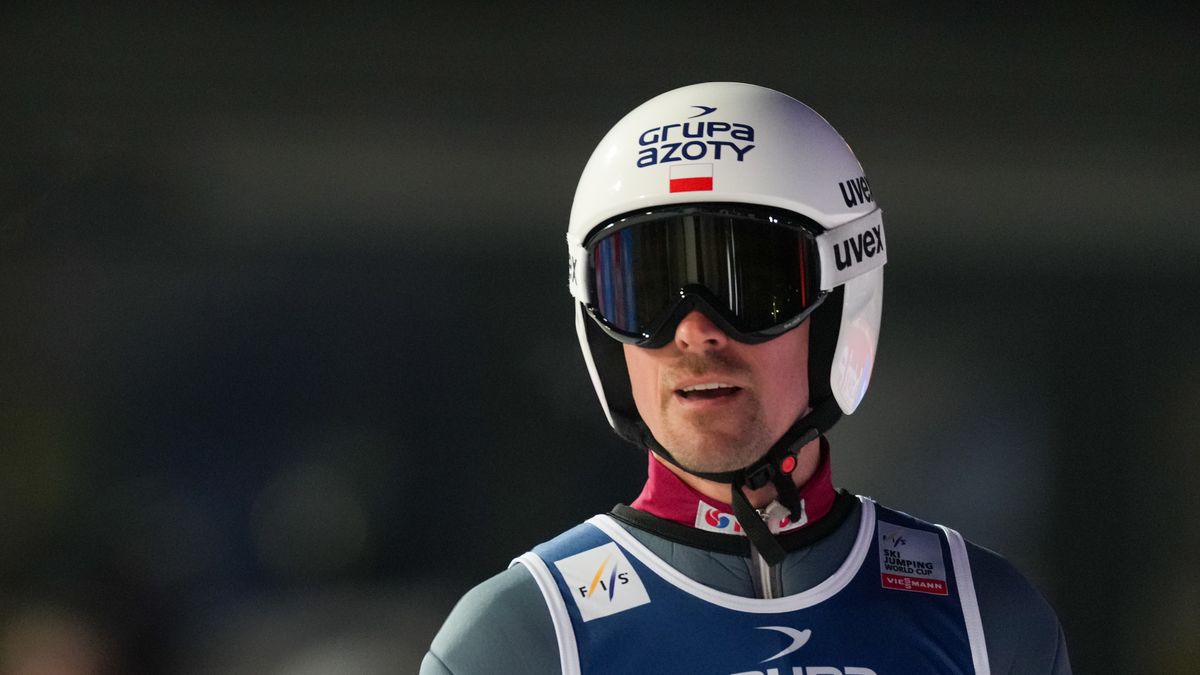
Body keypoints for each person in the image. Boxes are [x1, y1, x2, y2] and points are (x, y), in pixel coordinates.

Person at [421, 82, 1070, 674]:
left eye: (750, 286)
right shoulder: (518, 640)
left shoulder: (988, 622)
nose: (694, 330)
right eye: (645, 293)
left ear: (843, 299)